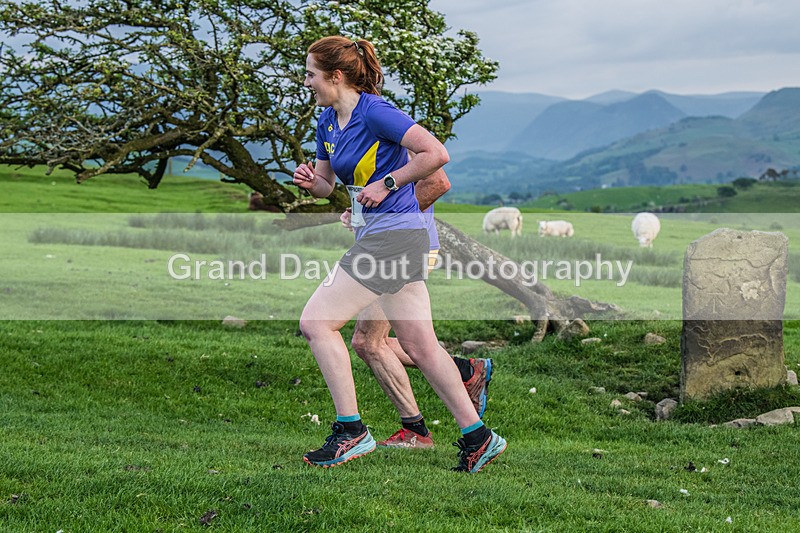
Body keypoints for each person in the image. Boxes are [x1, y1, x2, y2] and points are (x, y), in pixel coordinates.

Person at [293, 35, 506, 472]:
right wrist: (312, 182)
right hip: (385, 237)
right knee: (420, 346)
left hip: (395, 237)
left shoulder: (375, 111)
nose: (307, 82)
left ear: (336, 76)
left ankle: (351, 431)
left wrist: (387, 183)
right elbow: (328, 185)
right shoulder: (327, 122)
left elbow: (436, 154)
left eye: (311, 74)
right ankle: (479, 438)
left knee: (316, 323)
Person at [343, 170, 493, 449]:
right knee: (373, 342)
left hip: (401, 248)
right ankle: (465, 372)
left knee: (369, 342)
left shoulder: (404, 141)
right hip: (391, 246)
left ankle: (419, 431)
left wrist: (387, 219)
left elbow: (438, 182)